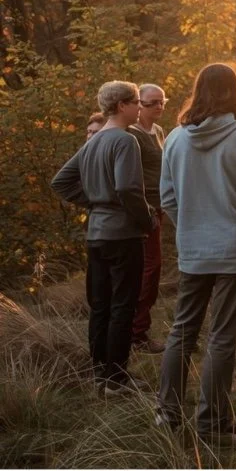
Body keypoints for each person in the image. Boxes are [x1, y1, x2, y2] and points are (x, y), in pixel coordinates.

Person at [157, 63, 236, 443]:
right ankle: (212, 425)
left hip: (195, 250)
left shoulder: (176, 139)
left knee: (182, 331)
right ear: (234, 92)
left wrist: (191, 227)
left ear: (198, 90)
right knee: (222, 337)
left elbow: (167, 197)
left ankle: (168, 414)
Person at [51, 81, 155, 395]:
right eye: (137, 101)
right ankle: (116, 378)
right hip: (122, 235)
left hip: (96, 235)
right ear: (122, 105)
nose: (140, 107)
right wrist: (146, 219)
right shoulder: (124, 141)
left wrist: (95, 201)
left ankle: (100, 373)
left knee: (101, 306)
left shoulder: (93, 142)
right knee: (123, 305)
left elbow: (61, 182)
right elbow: (126, 189)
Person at [128, 84, 168, 354]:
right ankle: (137, 332)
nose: (158, 106)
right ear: (139, 104)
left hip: (160, 207)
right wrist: (144, 209)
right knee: (149, 268)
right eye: (152, 102)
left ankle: (137, 328)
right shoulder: (132, 135)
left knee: (151, 269)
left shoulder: (159, 131)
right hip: (144, 210)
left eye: (161, 101)